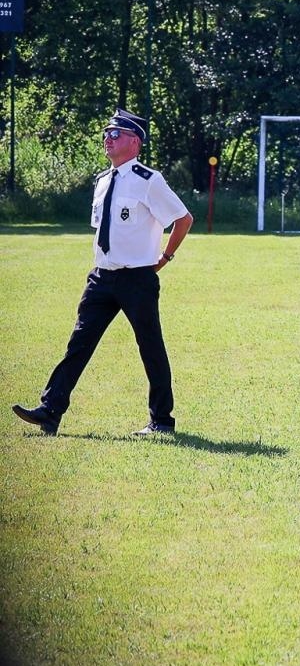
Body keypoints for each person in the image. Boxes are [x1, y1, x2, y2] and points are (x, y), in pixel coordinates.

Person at [13, 109, 193, 437]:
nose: (107, 139)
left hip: (137, 278)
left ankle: (162, 421)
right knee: (78, 345)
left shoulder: (148, 180)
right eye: (106, 133)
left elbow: (183, 219)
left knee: (150, 346)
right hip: (101, 277)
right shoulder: (101, 181)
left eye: (116, 134)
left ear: (135, 142)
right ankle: (49, 412)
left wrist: (165, 257)